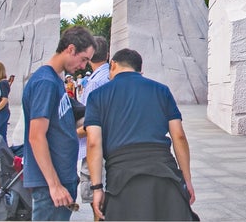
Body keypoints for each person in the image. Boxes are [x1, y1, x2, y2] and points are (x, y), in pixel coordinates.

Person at [85, 49, 197, 221]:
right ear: (139, 69)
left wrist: (97, 188)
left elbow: (93, 143)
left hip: (121, 180)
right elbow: (179, 136)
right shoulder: (161, 91)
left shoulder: (96, 96)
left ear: (113, 64)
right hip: (164, 173)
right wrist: (186, 179)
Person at [22, 25, 96, 220]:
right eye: (83, 59)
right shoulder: (45, 82)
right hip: (51, 187)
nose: (83, 66)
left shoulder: (54, 80)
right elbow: (36, 136)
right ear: (70, 49)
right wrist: (54, 185)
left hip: (61, 179)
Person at [76, 36, 110, 221]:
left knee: (97, 203)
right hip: (108, 145)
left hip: (94, 147)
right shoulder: (109, 76)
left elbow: (92, 123)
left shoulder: (95, 82)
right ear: (107, 54)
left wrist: (71, 135)